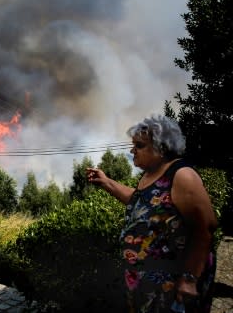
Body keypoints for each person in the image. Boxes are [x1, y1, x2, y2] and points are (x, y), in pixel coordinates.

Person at [87, 114, 217, 313]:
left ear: (161, 148)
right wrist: (107, 183)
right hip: (147, 284)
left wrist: (190, 279)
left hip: (173, 284)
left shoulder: (182, 175)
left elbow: (205, 228)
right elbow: (142, 201)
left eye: (139, 146)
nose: (132, 151)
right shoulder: (150, 174)